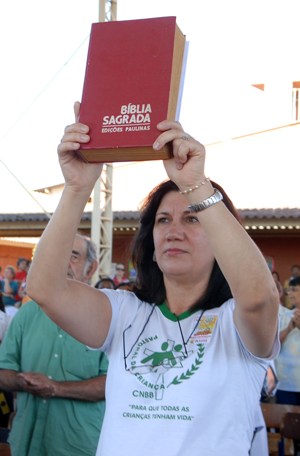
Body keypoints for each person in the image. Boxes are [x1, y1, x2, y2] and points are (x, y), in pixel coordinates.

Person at [26, 101, 279, 456]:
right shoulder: (127, 313)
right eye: (163, 220)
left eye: (192, 219)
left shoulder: (235, 323)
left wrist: (196, 185)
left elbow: (258, 296)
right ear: (151, 240)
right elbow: (44, 289)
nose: (174, 231)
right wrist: (76, 189)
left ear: (221, 237)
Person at [0, 232, 108, 456]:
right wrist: (23, 381)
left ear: (90, 268)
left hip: (78, 445)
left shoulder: (107, 317)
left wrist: (56, 388)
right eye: (57, 253)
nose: (62, 261)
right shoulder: (27, 313)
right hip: (26, 444)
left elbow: (113, 383)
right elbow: (3, 370)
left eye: (74, 256)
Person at [274, 276, 300, 405]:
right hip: (285, 384)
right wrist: (289, 328)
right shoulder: (284, 315)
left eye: (294, 289)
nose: (290, 293)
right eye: (289, 290)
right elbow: (273, 346)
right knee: (286, 423)